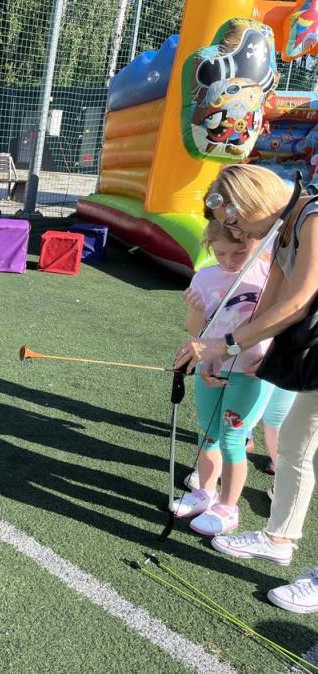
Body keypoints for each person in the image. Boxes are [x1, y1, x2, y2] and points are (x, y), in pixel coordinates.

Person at [175, 164, 318, 614]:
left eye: (236, 222)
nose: (236, 233)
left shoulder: (312, 217)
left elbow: (297, 301)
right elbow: (269, 304)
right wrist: (220, 351)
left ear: (255, 203)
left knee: (298, 447)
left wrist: (224, 345)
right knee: (294, 447)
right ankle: (278, 539)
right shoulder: (284, 231)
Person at [170, 219, 272, 536]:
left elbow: (281, 321)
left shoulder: (268, 275)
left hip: (250, 372)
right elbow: (196, 330)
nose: (229, 261)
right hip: (210, 367)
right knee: (207, 433)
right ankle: (205, 492)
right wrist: (196, 310)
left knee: (232, 440)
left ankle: (228, 508)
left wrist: (271, 356)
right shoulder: (205, 276)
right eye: (220, 253)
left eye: (238, 253)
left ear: (254, 242)